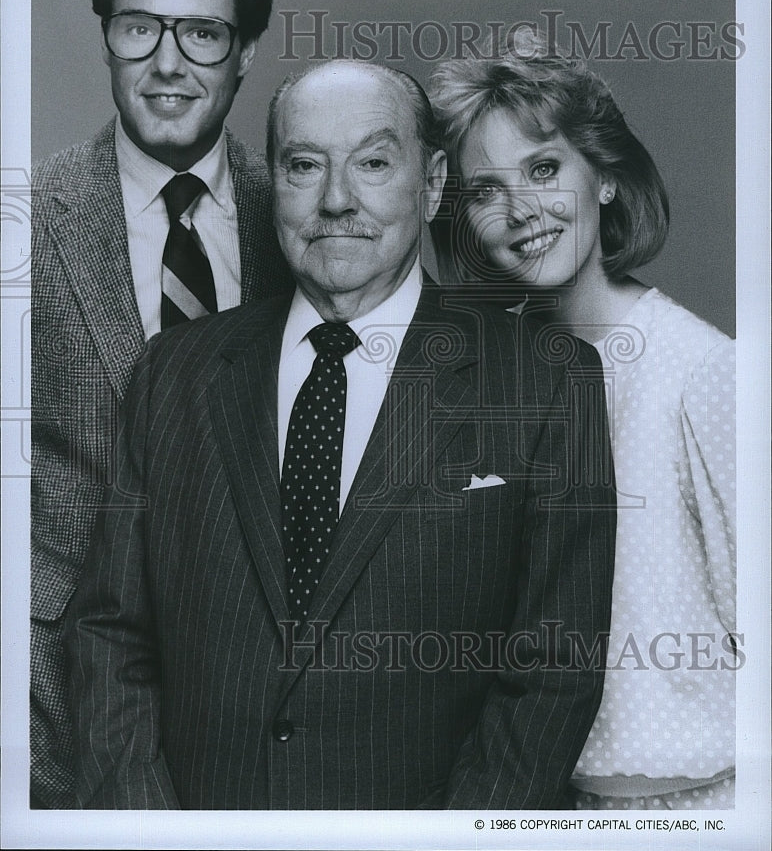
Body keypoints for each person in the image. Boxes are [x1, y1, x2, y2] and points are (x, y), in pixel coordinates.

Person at [65, 59, 617, 810]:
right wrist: (152, 828)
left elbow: (554, 665)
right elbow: (108, 634)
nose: (336, 200)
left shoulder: (545, 380)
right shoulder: (176, 372)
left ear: (430, 186)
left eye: (374, 163)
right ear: (273, 187)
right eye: (303, 166)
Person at [429, 29, 737, 810]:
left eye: (543, 169)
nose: (522, 211)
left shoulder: (704, 372)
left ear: (602, 175)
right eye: (486, 190)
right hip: (548, 805)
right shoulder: (498, 389)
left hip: (702, 803)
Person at [31, 0, 292, 808]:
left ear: (247, 51)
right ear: (105, 35)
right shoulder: (24, 220)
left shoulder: (304, 221)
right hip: (50, 715)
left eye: (203, 35)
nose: (169, 64)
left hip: (260, 716)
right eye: (140, 27)